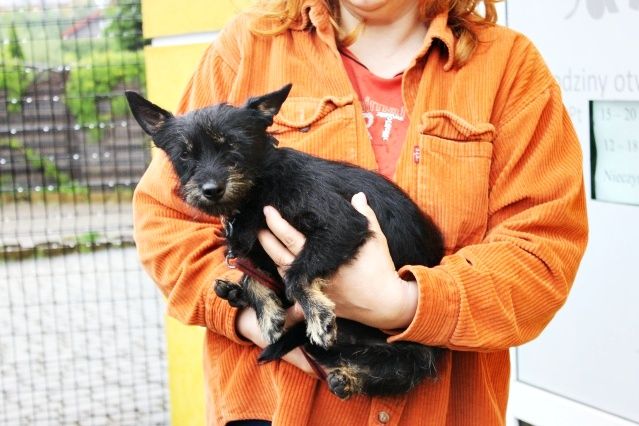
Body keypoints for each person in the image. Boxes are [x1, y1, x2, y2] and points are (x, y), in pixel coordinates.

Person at [132, 0, 589, 424]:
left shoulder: (508, 68)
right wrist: (255, 315)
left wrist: (402, 303)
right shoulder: (249, 47)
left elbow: (542, 253)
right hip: (272, 408)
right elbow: (165, 223)